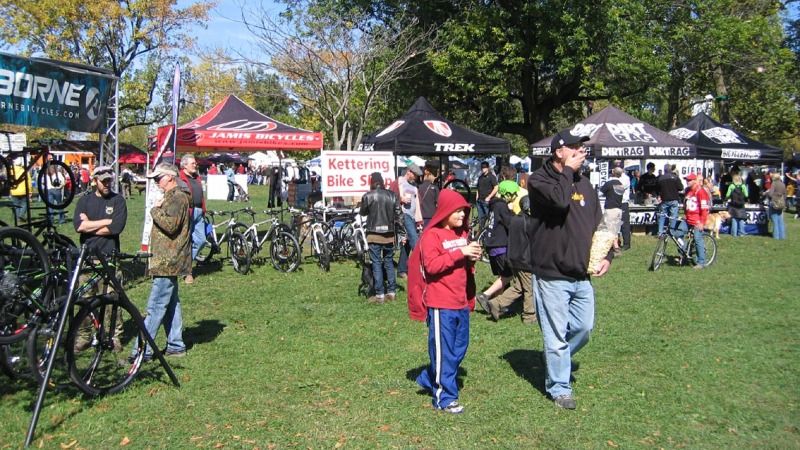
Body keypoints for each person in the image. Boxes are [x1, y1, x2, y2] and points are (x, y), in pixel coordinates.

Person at [527, 129, 612, 410]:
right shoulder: (539, 180)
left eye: (583, 147)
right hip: (551, 272)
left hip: (581, 273)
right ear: (558, 152)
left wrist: (607, 255)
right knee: (555, 336)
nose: (581, 151)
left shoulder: (585, 185)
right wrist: (567, 173)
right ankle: (560, 388)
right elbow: (560, 202)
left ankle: (555, 358)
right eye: (574, 147)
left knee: (584, 328)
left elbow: (599, 226)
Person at [407, 189, 482, 414]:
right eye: (458, 211)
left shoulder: (460, 235)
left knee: (459, 349)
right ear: (446, 211)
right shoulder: (432, 235)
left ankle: (429, 376)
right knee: (443, 352)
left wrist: (471, 256)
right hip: (441, 304)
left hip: (460, 302)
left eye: (464, 211)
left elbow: (461, 266)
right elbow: (432, 266)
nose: (462, 215)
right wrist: (461, 253)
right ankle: (445, 397)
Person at [131, 163, 190, 361]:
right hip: (167, 259)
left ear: (170, 177)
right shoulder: (172, 197)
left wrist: (155, 210)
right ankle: (176, 344)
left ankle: (142, 351)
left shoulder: (178, 198)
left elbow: (171, 225)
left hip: (168, 260)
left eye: (159, 178)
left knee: (156, 305)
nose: (156, 182)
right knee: (171, 304)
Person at [73, 166, 128, 351]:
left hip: (109, 257)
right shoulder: (84, 201)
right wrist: (105, 221)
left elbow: (116, 227)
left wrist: (90, 225)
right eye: (103, 181)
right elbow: (79, 227)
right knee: (85, 300)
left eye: (109, 181)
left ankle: (114, 336)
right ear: (94, 180)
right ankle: (84, 337)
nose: (106, 184)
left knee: (112, 299)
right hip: (87, 258)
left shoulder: (118, 200)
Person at [359, 172, 405, 304]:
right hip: (389, 234)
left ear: (372, 182)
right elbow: (399, 215)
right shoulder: (392, 195)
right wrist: (402, 233)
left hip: (373, 234)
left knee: (376, 263)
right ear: (382, 181)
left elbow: (363, 212)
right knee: (389, 262)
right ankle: (392, 292)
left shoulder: (368, 195)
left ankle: (379, 294)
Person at [178, 154, 206, 284]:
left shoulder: (197, 177)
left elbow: (201, 195)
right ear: (184, 165)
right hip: (188, 212)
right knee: (186, 242)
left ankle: (184, 264)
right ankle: (187, 272)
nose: (195, 165)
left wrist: (204, 209)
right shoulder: (179, 178)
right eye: (192, 163)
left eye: (195, 163)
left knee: (201, 240)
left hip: (199, 212)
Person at [397, 163, 423, 279]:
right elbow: (394, 195)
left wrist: (419, 220)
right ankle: (421, 267)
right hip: (404, 215)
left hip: (412, 217)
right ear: (409, 172)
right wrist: (401, 199)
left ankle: (401, 270)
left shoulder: (414, 187)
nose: (416, 177)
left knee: (407, 244)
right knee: (415, 241)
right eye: (415, 175)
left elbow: (416, 204)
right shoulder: (400, 182)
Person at [683, 173, 710, 268]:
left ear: (695, 181)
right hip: (688, 219)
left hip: (697, 221)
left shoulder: (701, 192)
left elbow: (704, 209)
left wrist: (702, 222)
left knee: (698, 239)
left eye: (689, 180)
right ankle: (684, 252)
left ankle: (701, 262)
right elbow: (686, 205)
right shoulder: (688, 191)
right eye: (687, 180)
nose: (687, 182)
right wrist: (685, 215)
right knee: (677, 233)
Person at [600, 167, 625, 253]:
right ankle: (615, 245)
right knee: (615, 228)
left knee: (610, 229)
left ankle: (615, 247)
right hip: (618, 208)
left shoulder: (609, 183)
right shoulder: (621, 184)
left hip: (610, 208)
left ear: (613, 173)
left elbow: (600, 193)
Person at [656, 163, 683, 236]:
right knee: (673, 217)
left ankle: (660, 232)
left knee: (662, 216)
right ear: (671, 170)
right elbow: (681, 188)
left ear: (664, 170)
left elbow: (657, 189)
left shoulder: (660, 178)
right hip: (674, 199)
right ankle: (672, 231)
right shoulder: (675, 177)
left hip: (664, 200)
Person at [476, 161, 498, 229]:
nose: (483, 169)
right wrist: (477, 196)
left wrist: (489, 197)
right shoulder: (480, 177)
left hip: (487, 201)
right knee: (481, 219)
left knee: (490, 218)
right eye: (482, 168)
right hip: (479, 201)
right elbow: (478, 187)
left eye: (484, 168)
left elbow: (496, 187)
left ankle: (490, 233)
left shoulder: (492, 177)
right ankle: (481, 233)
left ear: (488, 168)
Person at [725, 173, 749, 237]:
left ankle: (734, 233)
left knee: (734, 219)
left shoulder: (731, 186)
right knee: (741, 219)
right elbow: (746, 195)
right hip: (741, 205)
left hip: (733, 205)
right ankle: (741, 233)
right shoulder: (743, 186)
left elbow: (727, 195)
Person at [764, 173, 786, 239]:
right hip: (781, 203)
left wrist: (767, 193)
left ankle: (776, 236)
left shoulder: (774, 183)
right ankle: (782, 236)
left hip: (774, 203)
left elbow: (770, 194)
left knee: (774, 220)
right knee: (780, 221)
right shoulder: (783, 184)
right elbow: (785, 195)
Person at [418, 162, 439, 227]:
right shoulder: (435, 188)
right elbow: (438, 203)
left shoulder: (418, 187)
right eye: (433, 175)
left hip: (420, 215)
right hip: (432, 215)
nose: (434, 177)